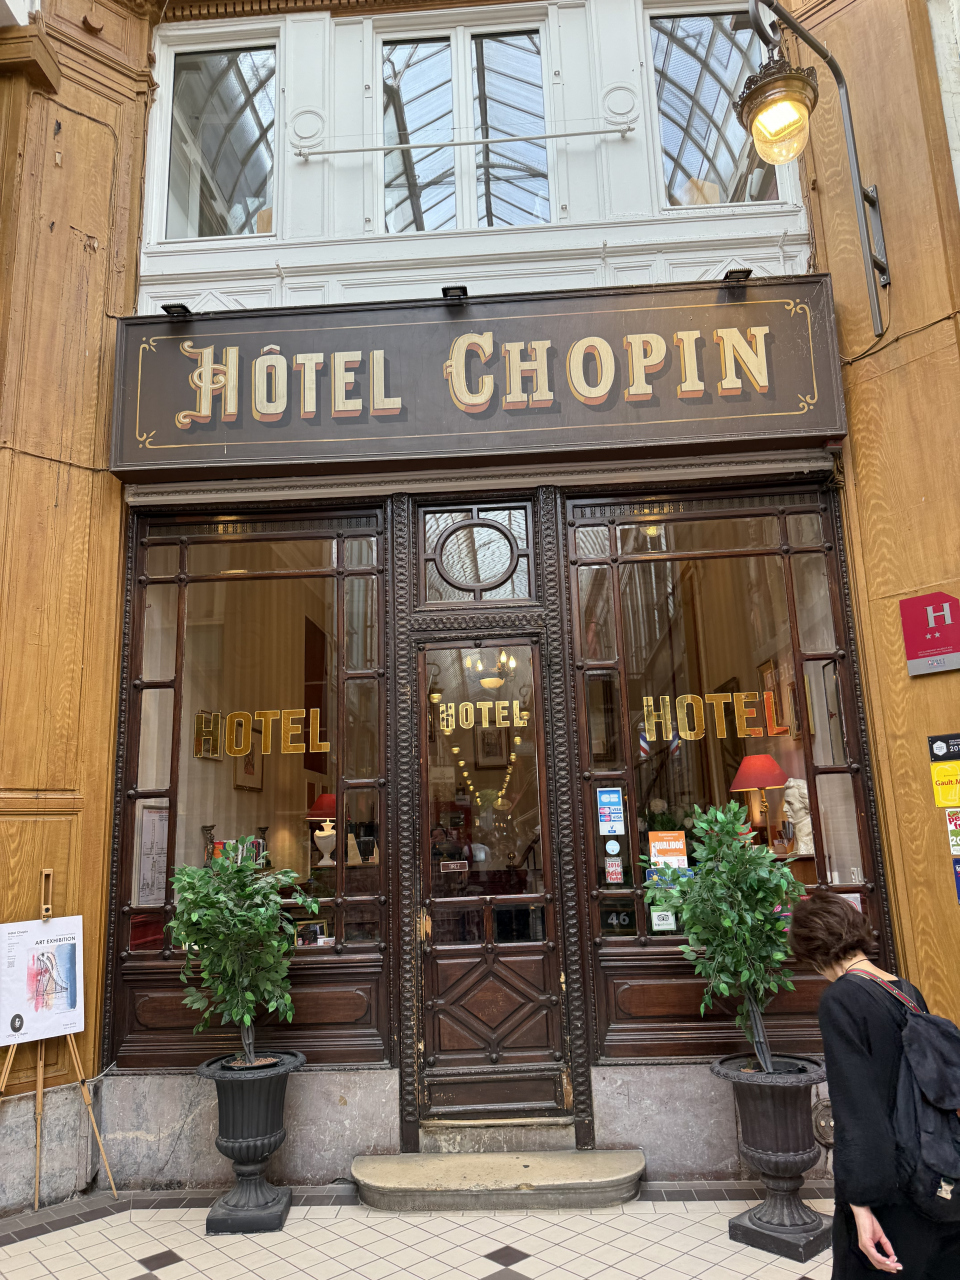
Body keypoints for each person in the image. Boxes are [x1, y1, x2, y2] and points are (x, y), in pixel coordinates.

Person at [788, 892, 960, 1279]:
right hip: (934, 1169)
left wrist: (860, 1208)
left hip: (889, 1186)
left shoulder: (841, 998)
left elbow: (858, 1108)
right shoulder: (906, 991)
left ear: (812, 950)